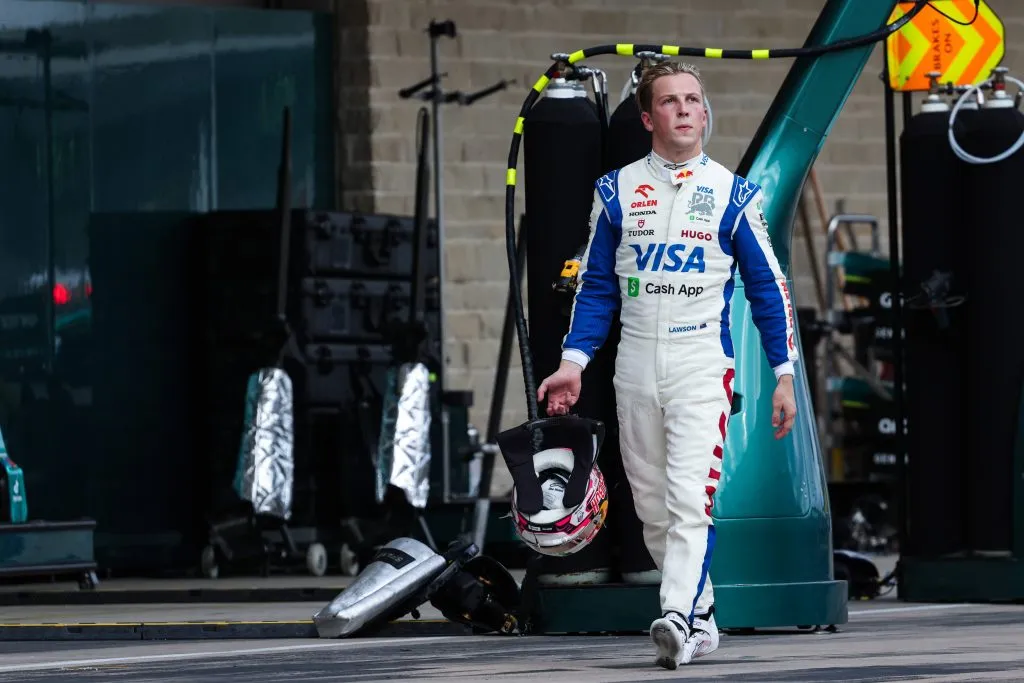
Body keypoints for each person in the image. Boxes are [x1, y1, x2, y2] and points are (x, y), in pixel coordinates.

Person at [537, 61, 799, 670]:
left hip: (701, 365)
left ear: (705, 113)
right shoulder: (615, 191)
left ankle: (676, 614)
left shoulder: (735, 194)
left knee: (688, 501)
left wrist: (783, 373)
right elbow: (596, 287)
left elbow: (770, 288)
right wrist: (573, 362)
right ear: (648, 117)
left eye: (693, 100)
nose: (684, 110)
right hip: (633, 367)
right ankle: (703, 618)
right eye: (670, 101)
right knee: (653, 508)